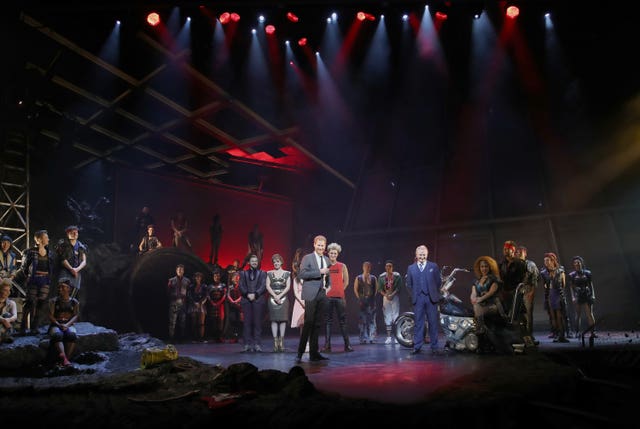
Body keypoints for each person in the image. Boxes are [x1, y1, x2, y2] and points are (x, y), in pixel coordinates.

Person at [295, 235, 331, 363]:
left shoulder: (327, 259)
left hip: (321, 294)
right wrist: (319, 271)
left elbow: (328, 274)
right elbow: (302, 274)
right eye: (319, 245)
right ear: (314, 245)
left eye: (323, 245)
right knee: (308, 322)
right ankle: (300, 353)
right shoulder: (307, 258)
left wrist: (328, 286)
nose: (321, 247)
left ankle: (314, 353)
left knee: (317, 324)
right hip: (310, 293)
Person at [405, 244, 442, 355]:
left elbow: (438, 282)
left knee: (433, 323)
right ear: (416, 255)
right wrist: (414, 295)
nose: (422, 256)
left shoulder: (433, 266)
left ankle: (434, 347)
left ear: (427, 254)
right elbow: (408, 284)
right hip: (418, 299)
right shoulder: (411, 268)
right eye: (420, 254)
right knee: (418, 323)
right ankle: (417, 346)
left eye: (424, 254)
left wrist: (433, 292)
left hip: (431, 299)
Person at [20, 229, 55, 335]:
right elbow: (24, 267)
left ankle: (34, 327)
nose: (48, 239)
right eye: (46, 237)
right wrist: (29, 277)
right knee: (29, 302)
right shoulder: (29, 252)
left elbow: (51, 268)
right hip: (33, 279)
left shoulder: (50, 253)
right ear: (39, 239)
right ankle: (23, 328)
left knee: (41, 303)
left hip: (44, 280)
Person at [322, 242, 352, 353]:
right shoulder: (325, 266)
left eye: (335, 253)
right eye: (331, 253)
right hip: (328, 298)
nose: (333, 255)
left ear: (337, 254)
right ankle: (327, 346)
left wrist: (340, 290)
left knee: (343, 321)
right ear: (328, 254)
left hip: (340, 298)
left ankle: (347, 345)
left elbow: (347, 281)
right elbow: (322, 281)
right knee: (328, 322)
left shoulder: (342, 266)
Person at [48, 279, 79, 366]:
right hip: (56, 324)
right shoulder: (53, 301)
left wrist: (67, 325)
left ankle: (66, 359)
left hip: (68, 324)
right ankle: (64, 359)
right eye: (59, 287)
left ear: (68, 289)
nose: (60, 289)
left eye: (63, 287)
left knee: (72, 335)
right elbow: (51, 316)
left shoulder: (74, 302)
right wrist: (59, 324)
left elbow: (76, 316)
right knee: (57, 335)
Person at [239, 254, 267, 352]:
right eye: (252, 261)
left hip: (258, 300)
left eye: (256, 261)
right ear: (248, 263)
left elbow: (263, 286)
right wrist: (247, 294)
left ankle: (257, 344)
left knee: (257, 323)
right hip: (246, 300)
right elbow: (241, 286)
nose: (254, 262)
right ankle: (246, 344)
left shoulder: (263, 273)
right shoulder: (243, 273)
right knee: (247, 323)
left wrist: (255, 294)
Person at [540, 252, 569, 343]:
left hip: (558, 294)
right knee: (553, 317)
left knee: (560, 316)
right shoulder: (544, 272)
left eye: (547, 260)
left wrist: (558, 290)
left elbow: (564, 284)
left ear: (553, 260)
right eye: (545, 261)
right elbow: (544, 285)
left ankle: (562, 335)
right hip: (550, 295)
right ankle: (556, 334)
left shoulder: (560, 270)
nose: (546, 262)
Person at [470, 256, 503, 336]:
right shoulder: (476, 281)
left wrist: (480, 299)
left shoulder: (494, 279)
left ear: (490, 267)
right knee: (476, 307)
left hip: (493, 305)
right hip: (480, 305)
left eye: (486, 266)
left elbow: (491, 293)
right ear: (479, 268)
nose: (484, 268)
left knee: (477, 307)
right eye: (482, 266)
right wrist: (473, 299)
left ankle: (480, 328)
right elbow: (473, 293)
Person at [266, 253, 291, 352]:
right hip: (272, 299)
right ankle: (275, 343)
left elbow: (288, 287)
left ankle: (281, 342)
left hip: (283, 298)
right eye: (274, 262)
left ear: (281, 262)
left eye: (278, 261)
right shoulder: (269, 273)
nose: (276, 263)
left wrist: (279, 296)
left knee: (283, 320)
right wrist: (275, 296)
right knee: (274, 320)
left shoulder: (287, 273)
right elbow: (268, 286)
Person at [516, 246, 540, 346]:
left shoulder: (530, 264)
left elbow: (535, 278)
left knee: (528, 314)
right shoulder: (514, 265)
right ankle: (521, 336)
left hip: (527, 290)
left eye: (520, 251)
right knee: (518, 314)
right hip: (517, 291)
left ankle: (529, 336)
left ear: (525, 253)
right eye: (516, 252)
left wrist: (532, 292)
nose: (518, 253)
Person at [56, 225, 88, 300]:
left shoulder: (81, 246)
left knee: (73, 295)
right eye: (73, 232)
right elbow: (62, 259)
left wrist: (76, 269)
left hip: (76, 273)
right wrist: (71, 269)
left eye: (76, 232)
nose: (75, 234)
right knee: (62, 292)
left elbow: (84, 261)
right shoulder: (63, 244)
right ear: (68, 233)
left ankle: (70, 310)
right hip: (65, 272)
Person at [567, 256, 597, 337]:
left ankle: (593, 332)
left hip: (587, 294)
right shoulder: (572, 275)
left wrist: (593, 295)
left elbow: (591, 284)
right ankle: (577, 332)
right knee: (578, 314)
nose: (577, 264)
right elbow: (571, 287)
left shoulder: (587, 273)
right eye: (575, 263)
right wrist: (573, 296)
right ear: (573, 265)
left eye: (578, 262)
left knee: (589, 314)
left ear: (581, 263)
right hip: (578, 295)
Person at [498, 241, 527, 317]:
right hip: (504, 294)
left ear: (513, 250)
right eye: (504, 249)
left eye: (507, 249)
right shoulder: (501, 264)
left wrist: (520, 290)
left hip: (516, 293)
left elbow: (524, 279)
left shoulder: (520, 263)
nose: (504, 250)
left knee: (518, 315)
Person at [377, 260, 402, 345]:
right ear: (385, 267)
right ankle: (388, 337)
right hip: (386, 298)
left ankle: (396, 337)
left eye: (390, 266)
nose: (388, 268)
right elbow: (380, 289)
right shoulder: (382, 276)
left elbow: (399, 287)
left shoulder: (397, 275)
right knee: (387, 316)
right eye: (387, 266)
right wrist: (386, 295)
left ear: (392, 267)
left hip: (394, 297)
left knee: (396, 316)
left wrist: (392, 294)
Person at [354, 261, 377, 344]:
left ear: (370, 268)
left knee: (371, 320)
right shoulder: (358, 278)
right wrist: (360, 299)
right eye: (366, 267)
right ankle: (362, 338)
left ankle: (372, 338)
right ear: (363, 267)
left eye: (369, 267)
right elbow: (355, 289)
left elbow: (375, 290)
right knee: (362, 321)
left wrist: (372, 298)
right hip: (362, 302)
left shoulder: (373, 278)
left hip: (371, 302)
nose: (367, 268)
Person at [167, 264, 190, 341]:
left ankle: (182, 338)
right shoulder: (171, 280)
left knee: (183, 321)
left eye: (181, 270)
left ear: (183, 271)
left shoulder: (187, 281)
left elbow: (189, 292)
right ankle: (171, 338)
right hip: (174, 303)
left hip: (183, 303)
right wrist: (173, 298)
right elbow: (168, 291)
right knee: (172, 322)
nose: (180, 271)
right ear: (176, 271)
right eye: (178, 270)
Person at [290, 248, 306, 349]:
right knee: (302, 325)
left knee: (309, 324)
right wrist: (302, 302)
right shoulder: (296, 278)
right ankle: (303, 343)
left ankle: (309, 343)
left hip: (308, 300)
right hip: (300, 302)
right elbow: (295, 292)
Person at [187, 272, 209, 342]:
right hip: (193, 305)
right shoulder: (191, 286)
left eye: (199, 277)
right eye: (197, 277)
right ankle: (194, 338)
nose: (198, 278)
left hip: (201, 305)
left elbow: (206, 295)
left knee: (201, 323)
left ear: (201, 278)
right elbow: (189, 295)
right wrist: (194, 303)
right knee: (194, 322)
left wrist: (201, 303)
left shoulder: (204, 286)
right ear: (195, 278)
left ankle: (201, 338)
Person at [206, 270, 227, 343]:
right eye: (215, 276)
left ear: (220, 277)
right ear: (213, 277)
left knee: (220, 320)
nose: (216, 277)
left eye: (218, 276)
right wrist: (212, 302)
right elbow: (208, 295)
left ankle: (220, 336)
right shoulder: (210, 286)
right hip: (212, 305)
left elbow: (224, 295)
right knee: (213, 320)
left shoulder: (223, 285)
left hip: (220, 305)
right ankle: (214, 337)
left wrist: (219, 302)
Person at [224, 270, 242, 343]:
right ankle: (233, 336)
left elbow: (242, 295)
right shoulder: (230, 286)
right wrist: (232, 301)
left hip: (239, 306)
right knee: (232, 320)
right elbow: (228, 294)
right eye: (235, 277)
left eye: (237, 277)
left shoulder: (241, 285)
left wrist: (236, 301)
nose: (236, 278)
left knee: (239, 321)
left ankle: (237, 336)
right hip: (232, 305)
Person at [0, 279, 18, 344]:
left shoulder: (11, 303)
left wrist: (8, 320)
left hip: (7, 327)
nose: (7, 292)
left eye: (9, 290)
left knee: (7, 315)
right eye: (5, 290)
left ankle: (6, 336)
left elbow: (15, 316)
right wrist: (3, 320)